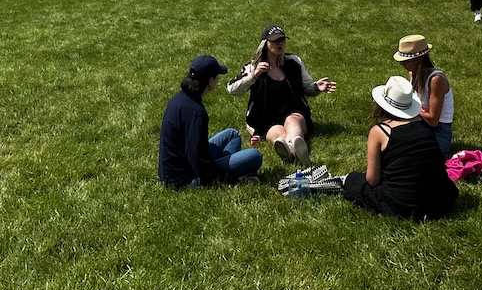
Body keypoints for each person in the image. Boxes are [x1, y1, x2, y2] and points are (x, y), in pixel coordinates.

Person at [342, 76, 458, 221]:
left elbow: (372, 180)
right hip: (441, 200)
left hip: (404, 204)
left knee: (353, 180)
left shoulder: (380, 131)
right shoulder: (423, 123)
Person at [226, 25, 336, 168]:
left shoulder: (294, 62)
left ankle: (292, 150)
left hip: (294, 112)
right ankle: (296, 152)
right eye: (275, 41)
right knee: (279, 135)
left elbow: (307, 87)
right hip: (267, 119)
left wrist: (316, 87)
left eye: (282, 40)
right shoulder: (254, 67)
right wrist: (254, 75)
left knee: (293, 122)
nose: (280, 44)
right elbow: (232, 89)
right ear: (265, 44)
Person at [159, 55, 262, 188]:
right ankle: (230, 177)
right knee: (255, 156)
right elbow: (197, 157)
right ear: (211, 81)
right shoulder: (196, 112)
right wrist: (223, 179)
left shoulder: (180, 98)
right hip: (184, 178)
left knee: (232, 135)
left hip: (173, 169)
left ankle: (227, 169)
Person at [394, 34, 454, 156]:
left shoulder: (436, 80)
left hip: (438, 130)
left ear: (418, 60)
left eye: (405, 61)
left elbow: (433, 120)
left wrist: (408, 109)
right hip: (419, 122)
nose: (401, 64)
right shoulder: (413, 74)